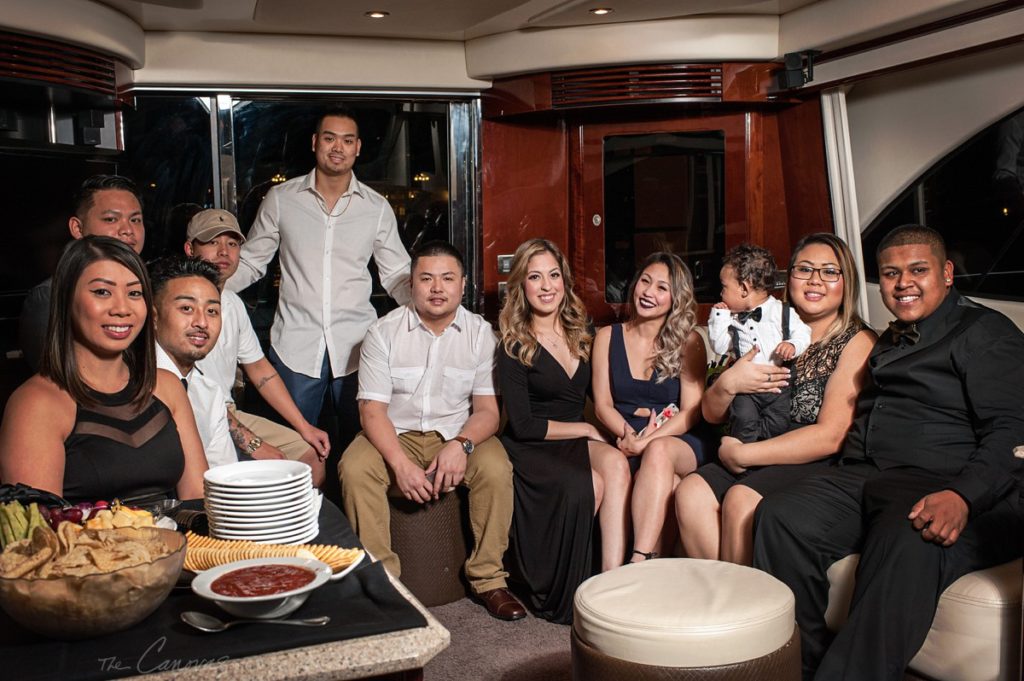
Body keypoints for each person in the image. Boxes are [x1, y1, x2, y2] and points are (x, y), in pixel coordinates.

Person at [754, 225, 1024, 681]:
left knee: (910, 534)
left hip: (946, 481)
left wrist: (962, 495)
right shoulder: (893, 337)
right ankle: (805, 667)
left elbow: (1013, 430)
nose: (903, 284)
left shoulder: (985, 333)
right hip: (867, 475)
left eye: (918, 270)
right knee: (780, 517)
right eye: (891, 274)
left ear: (947, 273)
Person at [339, 240, 525, 621]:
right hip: (395, 432)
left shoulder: (480, 334)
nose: (437, 288)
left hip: (458, 433)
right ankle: (383, 583)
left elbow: (489, 412)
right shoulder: (383, 332)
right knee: (354, 467)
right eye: (426, 278)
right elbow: (372, 411)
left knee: (496, 469)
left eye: (447, 278)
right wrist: (400, 465)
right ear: (411, 283)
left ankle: (489, 578)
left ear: (463, 285)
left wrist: (461, 444)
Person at [676, 233, 875, 565]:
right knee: (690, 493)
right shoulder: (762, 325)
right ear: (788, 277)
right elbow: (711, 415)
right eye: (804, 269)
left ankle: (749, 610)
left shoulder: (857, 341)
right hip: (756, 442)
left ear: (846, 281)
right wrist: (728, 383)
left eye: (829, 271)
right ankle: (719, 603)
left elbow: (831, 435)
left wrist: (744, 453)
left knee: (740, 499)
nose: (815, 280)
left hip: (814, 461)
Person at [225, 107, 411, 457]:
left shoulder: (376, 207)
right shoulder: (282, 199)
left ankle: (347, 513)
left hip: (358, 348)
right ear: (315, 143)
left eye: (347, 140)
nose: (337, 147)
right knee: (294, 448)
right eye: (329, 138)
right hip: (295, 345)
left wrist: (433, 312)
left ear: (358, 148)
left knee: (362, 449)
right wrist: (207, 288)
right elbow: (251, 262)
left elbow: (397, 274)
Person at [0, 236, 206, 503]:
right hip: (83, 544)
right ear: (66, 299)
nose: (122, 309)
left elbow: (198, 498)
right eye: (102, 292)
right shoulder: (37, 403)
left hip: (182, 542)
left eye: (134, 293)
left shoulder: (166, 386)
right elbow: (39, 536)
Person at [498, 238, 630, 623]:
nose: (546, 286)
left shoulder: (582, 329)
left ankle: (611, 582)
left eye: (553, 275)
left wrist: (637, 415)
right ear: (521, 285)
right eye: (535, 277)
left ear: (564, 281)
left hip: (574, 435)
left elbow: (601, 394)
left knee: (618, 466)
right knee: (588, 483)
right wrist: (585, 428)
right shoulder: (513, 342)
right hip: (532, 444)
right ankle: (564, 588)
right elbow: (522, 425)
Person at [186, 208, 330, 485]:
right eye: (212, 242)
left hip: (228, 413)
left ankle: (294, 529)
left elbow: (260, 370)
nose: (223, 252)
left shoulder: (233, 303)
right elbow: (192, 393)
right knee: (266, 467)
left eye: (232, 243)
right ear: (189, 249)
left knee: (309, 456)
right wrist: (253, 445)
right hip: (191, 415)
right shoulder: (176, 302)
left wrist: (304, 427)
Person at [592, 251, 711, 563]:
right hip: (624, 435)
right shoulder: (606, 337)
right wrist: (630, 436)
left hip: (679, 439)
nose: (649, 292)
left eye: (662, 288)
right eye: (645, 281)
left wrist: (646, 442)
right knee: (669, 486)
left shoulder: (689, 342)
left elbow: (691, 411)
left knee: (658, 453)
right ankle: (650, 576)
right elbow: (603, 404)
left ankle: (638, 561)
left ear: (676, 298)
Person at [19, 175, 145, 371]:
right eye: (111, 219)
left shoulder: (151, 285)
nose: (128, 230)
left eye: (135, 220)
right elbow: (54, 378)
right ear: (77, 228)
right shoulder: (49, 295)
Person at [708, 244, 812, 442]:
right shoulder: (732, 320)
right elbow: (720, 347)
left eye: (724, 287)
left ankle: (761, 450)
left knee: (778, 423)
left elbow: (804, 333)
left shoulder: (782, 312)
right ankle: (744, 452)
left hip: (777, 387)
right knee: (743, 418)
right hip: (746, 390)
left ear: (744, 289)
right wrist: (719, 316)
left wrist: (792, 345)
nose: (721, 293)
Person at [149, 256, 237, 469]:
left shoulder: (209, 393)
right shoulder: (129, 382)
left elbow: (222, 475)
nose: (202, 323)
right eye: (187, 308)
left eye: (212, 311)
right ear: (153, 316)